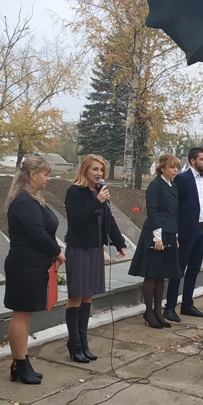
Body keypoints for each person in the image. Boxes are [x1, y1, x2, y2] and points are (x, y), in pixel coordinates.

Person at [3, 156, 65, 384]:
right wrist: (57, 252)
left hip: (34, 264)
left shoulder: (33, 199)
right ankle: (20, 364)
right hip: (24, 266)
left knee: (25, 315)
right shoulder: (23, 201)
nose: (48, 179)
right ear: (32, 175)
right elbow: (37, 233)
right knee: (21, 315)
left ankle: (21, 362)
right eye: (45, 175)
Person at [64, 155, 126, 362]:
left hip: (95, 249)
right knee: (77, 294)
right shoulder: (75, 191)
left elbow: (108, 219)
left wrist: (119, 242)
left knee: (88, 295)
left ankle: (84, 342)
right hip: (79, 248)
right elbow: (76, 219)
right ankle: (74, 343)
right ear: (85, 170)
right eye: (95, 169)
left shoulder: (99, 191)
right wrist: (96, 202)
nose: (99, 173)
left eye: (101, 170)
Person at [129, 154, 182, 329]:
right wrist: (157, 237)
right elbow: (152, 211)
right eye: (172, 167)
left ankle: (158, 311)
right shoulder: (155, 185)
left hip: (169, 232)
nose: (176, 170)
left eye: (177, 167)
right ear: (163, 168)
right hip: (155, 232)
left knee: (161, 274)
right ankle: (149, 312)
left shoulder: (173, 185)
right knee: (152, 274)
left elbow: (174, 213)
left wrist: (175, 236)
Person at [163, 147, 203, 323]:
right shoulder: (182, 179)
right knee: (178, 270)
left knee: (194, 269)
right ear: (192, 161)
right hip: (186, 231)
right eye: (202, 159)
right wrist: (174, 233)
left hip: (201, 230)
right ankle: (170, 307)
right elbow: (174, 206)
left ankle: (187, 304)